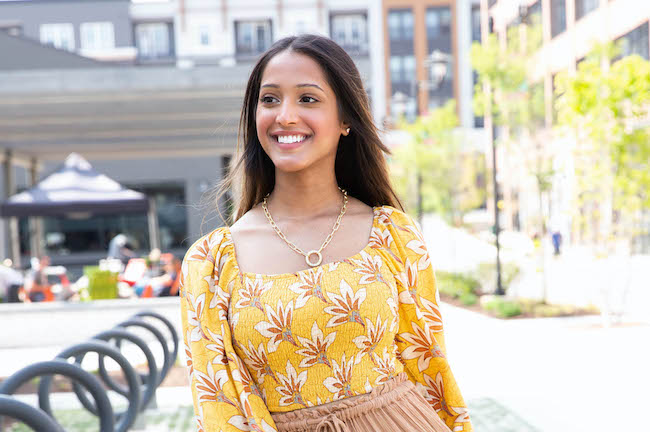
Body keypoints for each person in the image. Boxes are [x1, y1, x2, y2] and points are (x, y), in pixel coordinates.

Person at [180, 35, 471, 432]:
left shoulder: (392, 234)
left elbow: (431, 366)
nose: (284, 116)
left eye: (308, 99)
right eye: (269, 99)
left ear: (346, 119)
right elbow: (219, 409)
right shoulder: (211, 263)